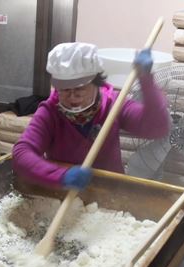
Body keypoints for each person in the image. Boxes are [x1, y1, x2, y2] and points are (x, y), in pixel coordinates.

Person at [12, 42, 170, 190]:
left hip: (111, 192)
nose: (72, 97)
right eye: (64, 90)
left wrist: (146, 81)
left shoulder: (113, 104)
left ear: (96, 83)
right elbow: (22, 153)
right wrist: (61, 176)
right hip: (63, 191)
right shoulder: (50, 112)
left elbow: (157, 128)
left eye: (79, 89)